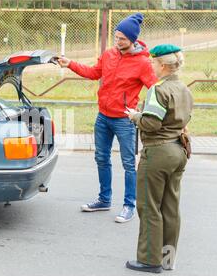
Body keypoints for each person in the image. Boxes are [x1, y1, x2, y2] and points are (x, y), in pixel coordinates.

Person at [58, 13, 158, 223]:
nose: (117, 41)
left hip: (125, 120)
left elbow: (156, 90)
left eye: (122, 38)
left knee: (129, 164)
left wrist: (143, 114)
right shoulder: (109, 54)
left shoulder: (143, 63)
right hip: (103, 117)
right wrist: (70, 64)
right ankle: (104, 200)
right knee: (101, 159)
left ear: (132, 39)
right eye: (116, 36)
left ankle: (129, 206)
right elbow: (94, 73)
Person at [124, 44, 194, 273]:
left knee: (149, 206)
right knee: (170, 207)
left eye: (153, 62)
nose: (151, 66)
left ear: (162, 65)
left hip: (158, 153)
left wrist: (136, 116)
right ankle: (167, 259)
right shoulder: (184, 88)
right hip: (179, 151)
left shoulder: (157, 89)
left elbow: (152, 124)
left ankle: (149, 260)